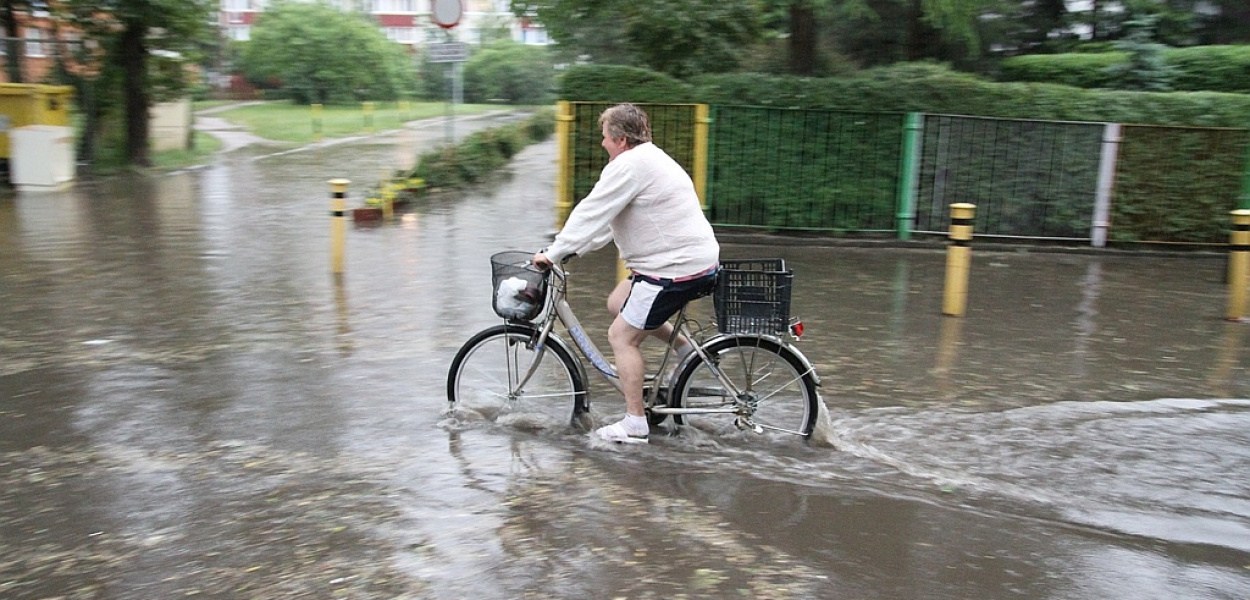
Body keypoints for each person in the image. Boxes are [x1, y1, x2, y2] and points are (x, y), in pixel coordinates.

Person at [534, 103, 720, 444]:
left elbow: (591, 210)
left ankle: (635, 422)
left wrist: (553, 252)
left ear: (620, 139)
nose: (602, 144)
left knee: (621, 336)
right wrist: (573, 249)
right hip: (687, 262)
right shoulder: (650, 159)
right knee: (618, 301)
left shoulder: (629, 166)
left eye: (605, 138)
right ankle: (686, 351)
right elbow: (610, 221)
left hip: (674, 269)